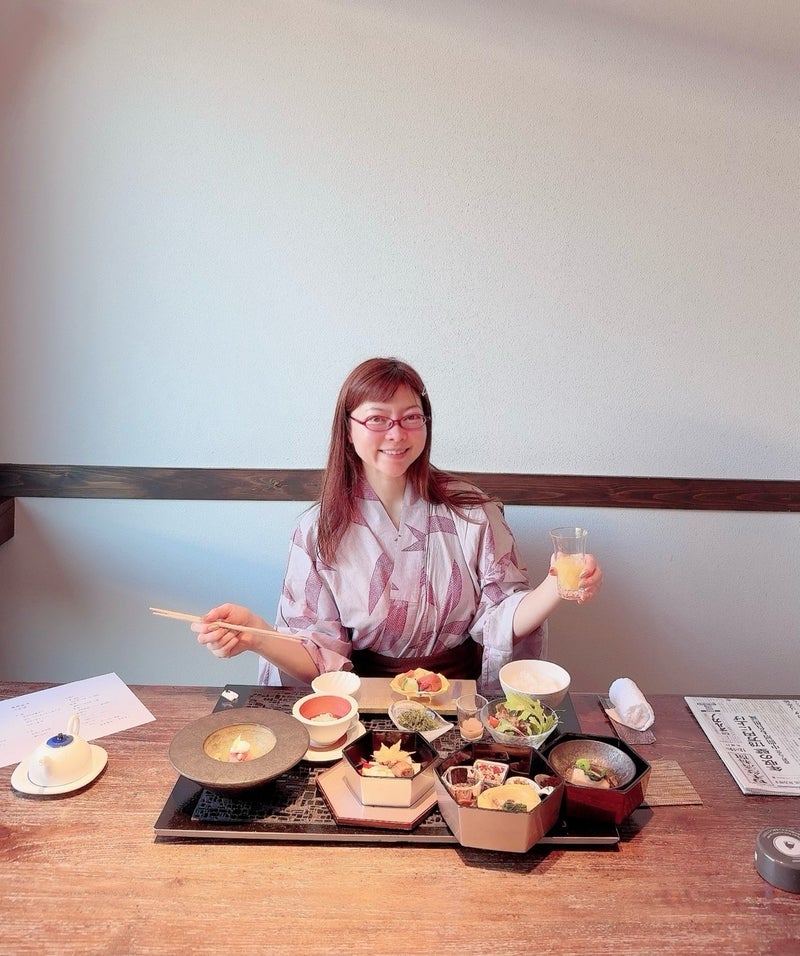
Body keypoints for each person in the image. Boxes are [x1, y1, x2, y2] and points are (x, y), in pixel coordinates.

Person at [192, 357, 602, 689]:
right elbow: (317, 653)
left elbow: (502, 617)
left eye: (411, 418)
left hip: (455, 701)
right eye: (377, 419)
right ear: (348, 429)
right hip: (363, 705)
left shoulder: (472, 511)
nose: (396, 433)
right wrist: (256, 634)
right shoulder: (319, 531)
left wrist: (556, 585)